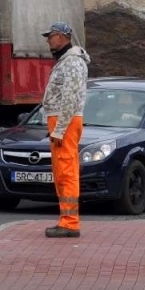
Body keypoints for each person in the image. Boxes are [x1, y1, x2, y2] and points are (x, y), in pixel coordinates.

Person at [40, 20, 90, 238]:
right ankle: (66, 220)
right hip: (63, 121)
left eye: (50, 36)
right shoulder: (66, 61)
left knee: (67, 171)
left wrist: (59, 129)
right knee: (62, 172)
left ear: (62, 37)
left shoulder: (72, 62)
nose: (48, 40)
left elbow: (69, 97)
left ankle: (70, 223)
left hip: (65, 121)